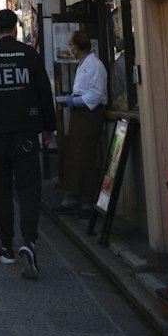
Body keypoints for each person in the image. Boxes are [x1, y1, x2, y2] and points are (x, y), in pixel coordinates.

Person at [0, 8, 57, 280]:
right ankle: (29, 241)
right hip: (26, 131)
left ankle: (5, 245)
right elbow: (44, 91)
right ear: (16, 28)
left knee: (1, 188)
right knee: (29, 187)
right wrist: (49, 127)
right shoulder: (29, 55)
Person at [57, 30, 108, 212]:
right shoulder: (83, 64)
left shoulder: (95, 65)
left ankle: (87, 198)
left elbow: (95, 95)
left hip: (90, 115)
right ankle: (74, 194)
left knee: (86, 156)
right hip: (80, 114)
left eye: (70, 44)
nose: (69, 48)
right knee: (75, 154)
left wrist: (74, 100)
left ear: (77, 47)